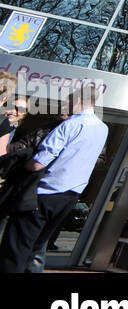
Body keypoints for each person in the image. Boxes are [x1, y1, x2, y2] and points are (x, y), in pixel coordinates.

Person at [0, 83, 108, 273]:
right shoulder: (102, 129)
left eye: (69, 102)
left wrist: (23, 164)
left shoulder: (70, 125)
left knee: (16, 249)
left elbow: (39, 163)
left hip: (44, 193)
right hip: (69, 197)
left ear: (79, 101)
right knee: (35, 248)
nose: (65, 107)